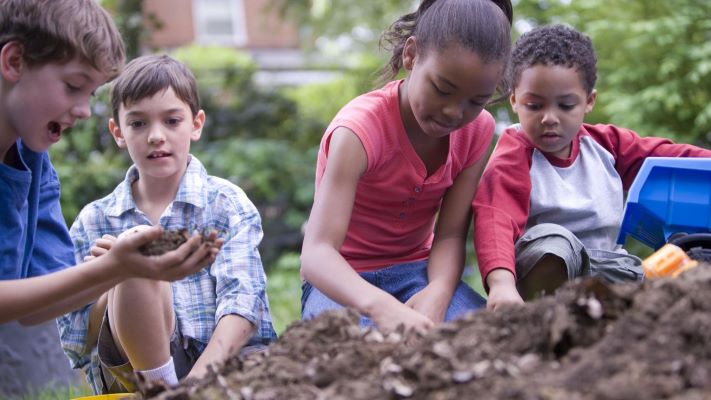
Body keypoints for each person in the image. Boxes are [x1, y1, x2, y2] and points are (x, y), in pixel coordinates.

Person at [57, 54, 277, 394]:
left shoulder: (224, 203)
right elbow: (75, 340)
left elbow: (243, 303)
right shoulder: (95, 220)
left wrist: (193, 386)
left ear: (196, 124)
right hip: (135, 370)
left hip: (225, 361)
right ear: (118, 131)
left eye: (172, 121)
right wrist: (108, 275)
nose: (156, 136)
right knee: (135, 247)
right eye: (138, 123)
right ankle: (163, 389)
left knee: (136, 248)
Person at [0, 0, 219, 326]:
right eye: (73, 86)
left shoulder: (35, 162)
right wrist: (113, 268)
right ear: (15, 61)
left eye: (90, 94)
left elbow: (37, 308)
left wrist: (124, 267)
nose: (85, 111)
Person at [300, 0, 513, 333]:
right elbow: (317, 253)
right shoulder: (358, 132)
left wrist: (439, 292)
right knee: (353, 355)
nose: (454, 113)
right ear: (411, 55)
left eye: (477, 101)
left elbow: (451, 233)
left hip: (419, 275)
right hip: (341, 284)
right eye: (443, 89)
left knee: (491, 338)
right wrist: (381, 308)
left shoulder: (478, 130)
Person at [473, 24, 711, 309]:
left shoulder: (605, 144)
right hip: (544, 266)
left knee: (686, 263)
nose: (550, 117)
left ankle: (625, 308)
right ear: (515, 101)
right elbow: (495, 218)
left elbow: (669, 158)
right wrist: (501, 284)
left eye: (565, 105)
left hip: (608, 268)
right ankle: (550, 311)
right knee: (556, 241)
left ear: (588, 102)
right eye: (535, 106)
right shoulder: (515, 154)